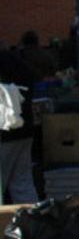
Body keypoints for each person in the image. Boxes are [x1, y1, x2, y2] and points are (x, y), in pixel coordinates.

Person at [0, 47, 40, 204]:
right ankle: (31, 217)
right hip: (24, 130)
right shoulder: (17, 63)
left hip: (5, 132)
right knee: (22, 183)